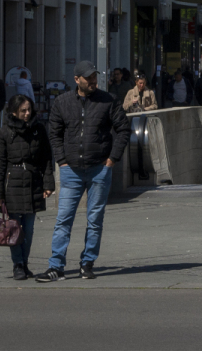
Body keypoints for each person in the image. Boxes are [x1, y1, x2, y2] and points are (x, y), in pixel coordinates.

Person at [36, 61, 130, 281]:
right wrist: (61, 160)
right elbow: (54, 133)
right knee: (63, 219)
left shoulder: (108, 100)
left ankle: (87, 263)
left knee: (95, 219)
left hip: (99, 168)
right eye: (88, 78)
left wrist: (111, 161)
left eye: (95, 77)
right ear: (77, 80)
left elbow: (123, 129)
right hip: (71, 170)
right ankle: (56, 266)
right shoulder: (63, 102)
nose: (93, 81)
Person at [0, 94, 54, 280]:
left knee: (29, 228)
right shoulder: (3, 133)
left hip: (33, 182)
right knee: (13, 227)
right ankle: (17, 264)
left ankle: (25, 263)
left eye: (29, 110)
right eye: (23, 111)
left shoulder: (39, 129)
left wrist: (48, 184)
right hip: (12, 185)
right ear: (13, 112)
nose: (27, 114)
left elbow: (46, 159)